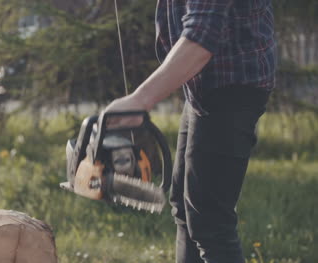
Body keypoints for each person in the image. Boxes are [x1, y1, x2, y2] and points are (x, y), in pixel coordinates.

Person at [104, 0, 276, 262]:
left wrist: (140, 100)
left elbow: (201, 38)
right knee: (185, 210)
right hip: (204, 86)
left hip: (231, 87)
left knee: (211, 225)